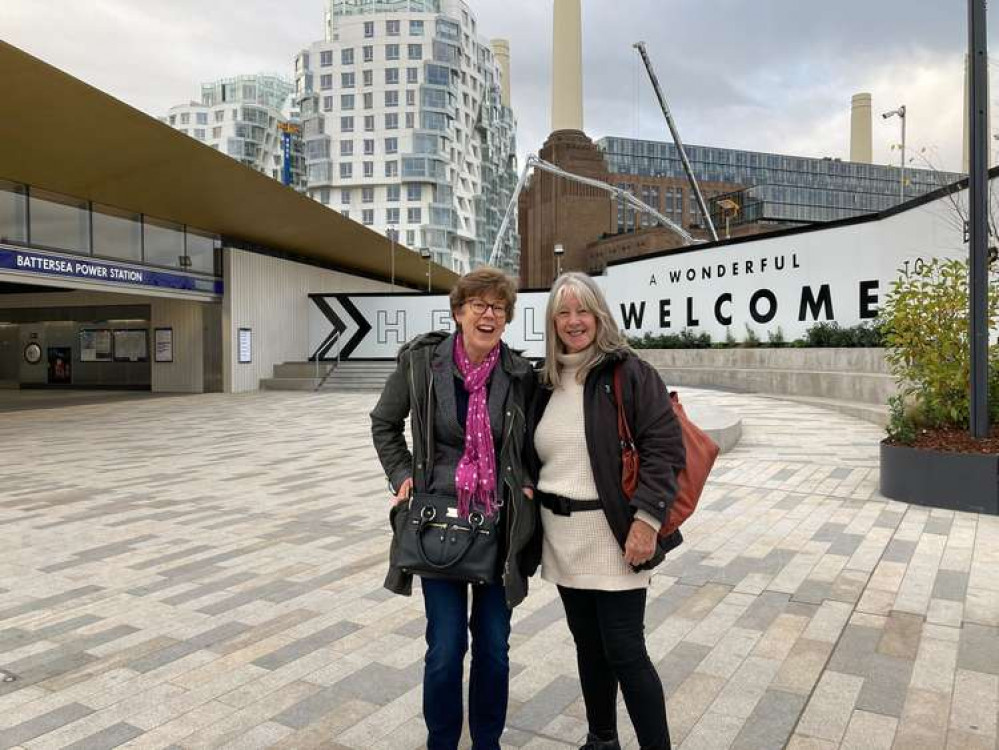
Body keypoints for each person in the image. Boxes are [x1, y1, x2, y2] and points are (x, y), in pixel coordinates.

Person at [371, 267, 539, 750]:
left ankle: (487, 742)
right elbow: (385, 422)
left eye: (499, 307)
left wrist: (525, 482)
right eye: (479, 305)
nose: (488, 315)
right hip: (435, 524)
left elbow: (530, 443)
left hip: (498, 529)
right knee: (445, 649)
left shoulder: (518, 374)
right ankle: (442, 742)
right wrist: (402, 476)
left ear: (506, 318)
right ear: (459, 311)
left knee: (495, 649)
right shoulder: (423, 363)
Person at [529, 272, 685, 750]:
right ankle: (602, 740)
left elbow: (664, 449)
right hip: (563, 540)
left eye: (583, 311)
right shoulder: (544, 382)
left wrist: (647, 521)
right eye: (563, 312)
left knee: (625, 650)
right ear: (552, 322)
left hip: (615, 537)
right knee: (589, 648)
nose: (574, 321)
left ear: (599, 316)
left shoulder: (629, 373)